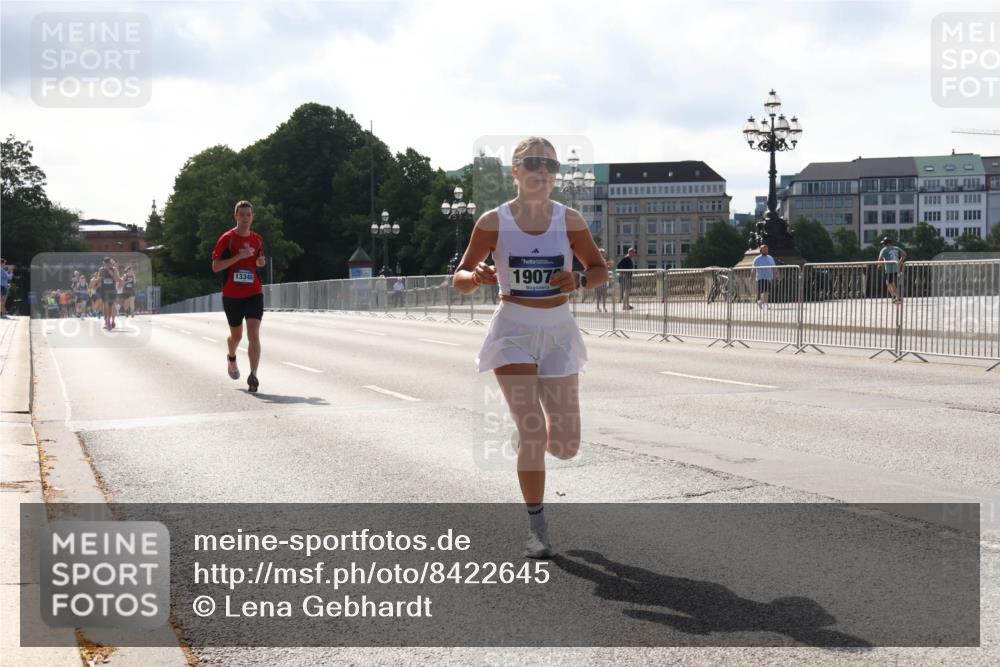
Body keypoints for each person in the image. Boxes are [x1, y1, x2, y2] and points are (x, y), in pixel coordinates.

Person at [453, 136, 608, 559]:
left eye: (551, 166)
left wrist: (578, 279)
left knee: (565, 445)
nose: (544, 171)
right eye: (534, 163)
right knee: (533, 430)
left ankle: (533, 441)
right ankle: (537, 528)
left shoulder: (570, 220)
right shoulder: (493, 221)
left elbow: (599, 270)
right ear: (516, 171)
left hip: (558, 333)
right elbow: (461, 276)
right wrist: (477, 277)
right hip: (512, 332)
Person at [211, 200, 267, 392]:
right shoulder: (227, 239)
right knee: (237, 335)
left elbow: (259, 261)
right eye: (241, 214)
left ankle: (253, 374)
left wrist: (260, 262)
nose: (245, 218)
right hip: (232, 295)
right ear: (235, 216)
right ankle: (232, 357)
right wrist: (238, 257)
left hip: (254, 292)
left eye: (248, 214)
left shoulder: (257, 239)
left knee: (253, 333)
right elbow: (216, 266)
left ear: (253, 217)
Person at [877, 237, 907, 304]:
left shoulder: (884, 250)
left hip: (889, 269)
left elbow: (880, 259)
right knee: (888, 283)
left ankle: (898, 297)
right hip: (896, 268)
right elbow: (904, 254)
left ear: (886, 244)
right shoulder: (896, 248)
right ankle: (894, 297)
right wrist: (900, 262)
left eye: (883, 244)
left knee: (890, 283)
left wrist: (879, 265)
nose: (882, 245)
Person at [97, 258, 122, 329]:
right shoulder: (101, 269)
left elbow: (118, 280)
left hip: (112, 290)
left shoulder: (114, 269)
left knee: (112, 307)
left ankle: (112, 321)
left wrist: (111, 273)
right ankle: (107, 321)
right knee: (106, 306)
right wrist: (99, 279)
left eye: (108, 264)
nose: (106, 265)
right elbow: (98, 279)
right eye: (105, 264)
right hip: (104, 290)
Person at [753, 244, 777, 310]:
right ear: (761, 250)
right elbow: (754, 269)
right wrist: (751, 277)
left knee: (766, 291)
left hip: (768, 276)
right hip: (761, 277)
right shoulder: (757, 259)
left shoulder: (770, 258)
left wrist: (776, 275)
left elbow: (774, 267)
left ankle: (761, 302)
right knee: (764, 291)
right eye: (764, 249)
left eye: (766, 249)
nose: (766, 251)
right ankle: (765, 304)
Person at [594, 248, 611, 312]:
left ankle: (604, 307)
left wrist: (607, 266)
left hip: (603, 280)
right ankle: (597, 308)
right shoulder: (596, 260)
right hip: (598, 281)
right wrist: (607, 265)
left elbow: (605, 268)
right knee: (598, 295)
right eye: (602, 253)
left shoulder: (604, 260)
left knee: (604, 295)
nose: (603, 254)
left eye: (603, 253)